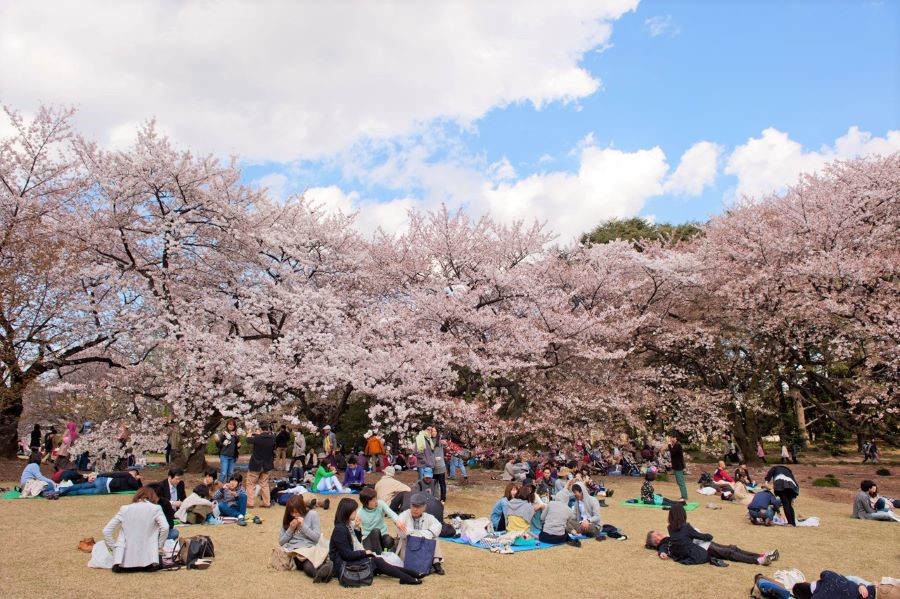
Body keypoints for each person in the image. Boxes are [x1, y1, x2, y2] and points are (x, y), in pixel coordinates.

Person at [329, 497, 423, 585]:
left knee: (378, 564)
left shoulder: (347, 526)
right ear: (347, 512)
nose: (355, 513)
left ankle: (411, 574)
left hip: (347, 559)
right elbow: (346, 554)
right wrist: (364, 552)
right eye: (354, 511)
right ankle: (407, 577)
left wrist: (357, 529)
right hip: (342, 564)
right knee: (377, 561)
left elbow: (354, 543)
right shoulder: (340, 529)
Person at [650, 503, 777, 566]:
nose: (659, 534)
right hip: (701, 547)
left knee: (732, 548)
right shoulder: (683, 528)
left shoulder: (670, 529)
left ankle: (762, 555)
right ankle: (758, 560)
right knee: (729, 553)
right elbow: (701, 536)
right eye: (656, 535)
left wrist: (662, 550)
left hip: (700, 544)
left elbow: (666, 542)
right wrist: (709, 535)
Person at [102, 486, 170, 573]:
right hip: (150, 562)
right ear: (153, 496)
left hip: (123, 563)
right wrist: (159, 546)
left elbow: (106, 530)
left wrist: (114, 549)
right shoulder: (156, 508)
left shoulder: (124, 509)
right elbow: (165, 527)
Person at [280, 494, 333, 581]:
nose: (294, 515)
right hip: (295, 551)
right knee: (305, 563)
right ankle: (320, 575)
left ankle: (324, 572)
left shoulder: (312, 515)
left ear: (302, 508)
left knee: (311, 561)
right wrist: (290, 529)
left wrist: (303, 526)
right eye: (291, 512)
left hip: (310, 548)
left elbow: (316, 537)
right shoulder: (288, 519)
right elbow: (281, 542)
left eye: (296, 512)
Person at [395, 493, 445, 576]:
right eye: (413, 506)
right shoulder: (404, 514)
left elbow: (438, 525)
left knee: (434, 538)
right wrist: (421, 534)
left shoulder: (428, 517)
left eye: (418, 507)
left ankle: (436, 563)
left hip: (423, 545)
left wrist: (423, 533)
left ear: (424, 508)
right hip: (408, 545)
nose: (415, 509)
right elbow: (402, 530)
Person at [358, 487, 405, 552]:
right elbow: (353, 525)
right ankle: (380, 555)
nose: (376, 502)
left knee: (389, 540)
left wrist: (398, 521)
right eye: (373, 500)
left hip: (382, 536)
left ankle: (379, 552)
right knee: (375, 531)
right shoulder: (360, 512)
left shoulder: (381, 504)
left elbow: (392, 513)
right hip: (368, 539)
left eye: (376, 499)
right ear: (365, 503)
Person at [148, 467, 185, 540]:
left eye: (180, 479)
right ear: (170, 477)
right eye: (177, 479)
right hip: (165, 512)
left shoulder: (181, 484)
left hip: (177, 512)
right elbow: (160, 501)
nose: (178, 481)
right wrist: (172, 503)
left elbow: (184, 497)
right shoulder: (161, 485)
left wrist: (183, 504)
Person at [246, 422, 276, 508]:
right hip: (267, 464)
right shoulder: (273, 438)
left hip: (256, 464)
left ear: (260, 429)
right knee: (264, 483)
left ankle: (250, 503)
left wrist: (249, 433)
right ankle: (267, 503)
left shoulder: (257, 438)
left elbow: (248, 440)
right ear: (268, 429)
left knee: (250, 483)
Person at [792, 571, 877, 599]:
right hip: (871, 591)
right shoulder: (828, 575)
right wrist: (862, 584)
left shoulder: (819, 596)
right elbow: (851, 578)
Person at [58, 468, 143, 496]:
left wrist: (138, 480)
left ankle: (62, 492)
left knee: (80, 491)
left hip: (104, 489)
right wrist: (98, 476)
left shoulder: (134, 483)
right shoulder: (126, 475)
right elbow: (112, 474)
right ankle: (62, 490)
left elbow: (139, 489)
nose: (131, 474)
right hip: (103, 481)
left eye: (134, 473)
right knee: (81, 487)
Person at [215, 418, 240, 483]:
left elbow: (236, 446)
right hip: (224, 456)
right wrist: (218, 441)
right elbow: (219, 445)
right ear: (227, 425)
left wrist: (239, 445)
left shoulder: (236, 435)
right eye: (230, 424)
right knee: (223, 473)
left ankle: (227, 488)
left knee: (230, 474)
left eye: (233, 425)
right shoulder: (224, 434)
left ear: (234, 426)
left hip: (233, 456)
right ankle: (219, 489)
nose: (231, 426)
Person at [667, 433, 688, 502]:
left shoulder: (677, 445)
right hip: (677, 466)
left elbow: (672, 452)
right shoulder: (676, 445)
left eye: (671, 438)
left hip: (678, 466)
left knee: (680, 481)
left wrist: (669, 444)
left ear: (675, 438)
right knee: (679, 481)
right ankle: (683, 495)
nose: (670, 439)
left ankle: (684, 497)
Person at [432, 436, 448, 502]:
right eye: (433, 431)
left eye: (435, 431)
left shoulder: (440, 441)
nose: (434, 433)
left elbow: (446, 445)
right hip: (433, 466)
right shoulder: (428, 441)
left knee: (442, 483)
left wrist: (445, 443)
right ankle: (435, 497)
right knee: (434, 483)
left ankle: (443, 498)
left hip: (440, 466)